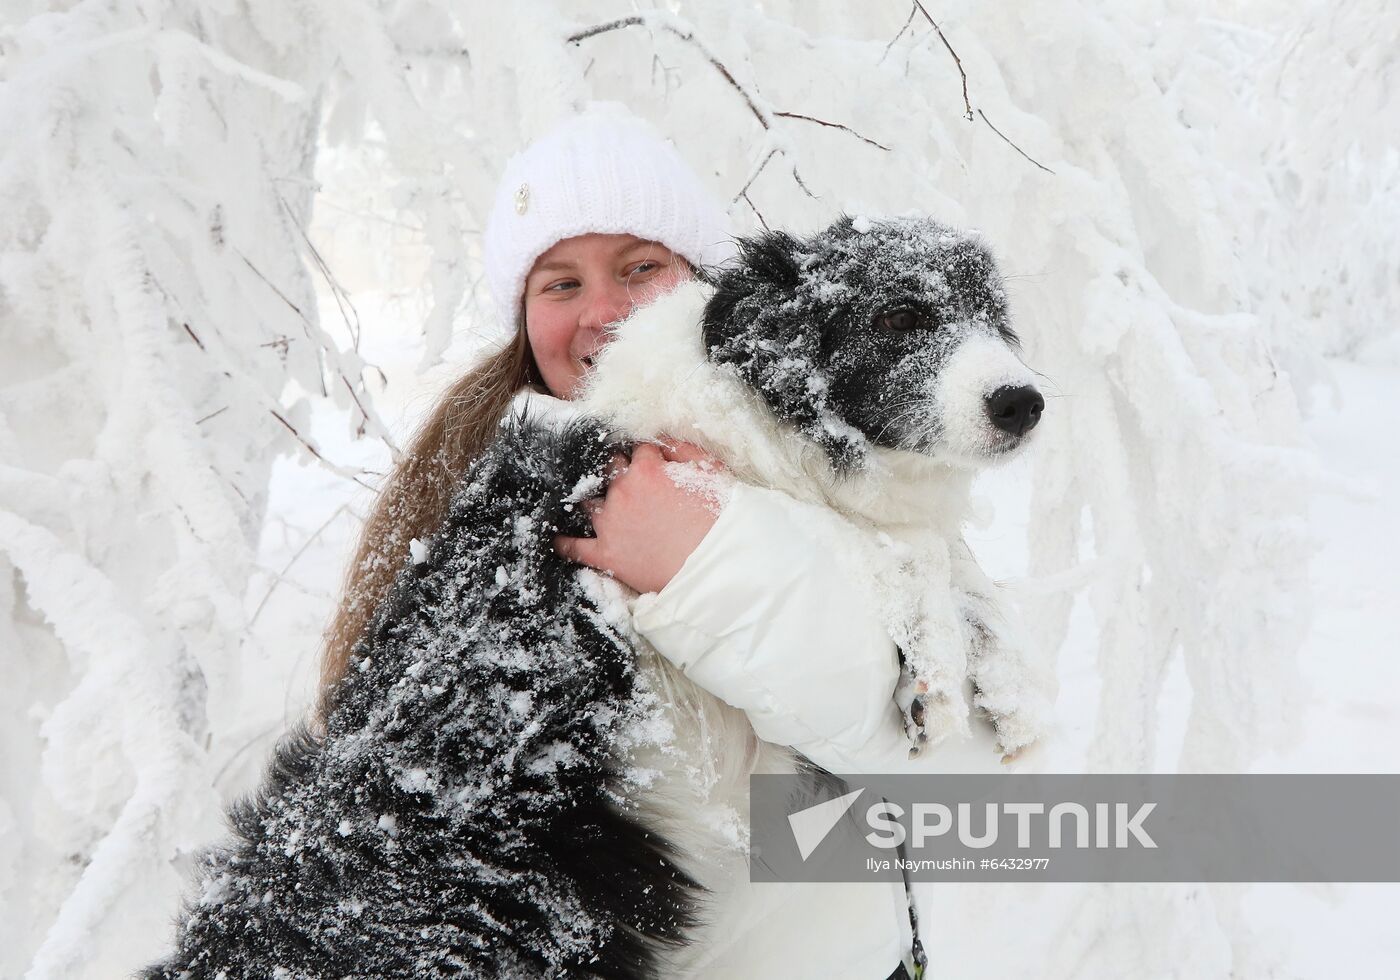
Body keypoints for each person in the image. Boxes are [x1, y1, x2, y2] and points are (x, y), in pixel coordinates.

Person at [320, 103, 934, 978]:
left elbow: (952, 763)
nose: (603, 311)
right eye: (560, 284)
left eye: (639, 267)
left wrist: (700, 556)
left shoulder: (830, 458)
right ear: (524, 318)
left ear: (702, 285)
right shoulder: (459, 506)